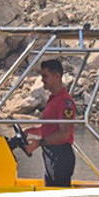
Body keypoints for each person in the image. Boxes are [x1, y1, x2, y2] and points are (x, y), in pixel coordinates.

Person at [24, 59, 77, 187]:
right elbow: (49, 128)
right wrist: (29, 131)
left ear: (57, 76)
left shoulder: (65, 103)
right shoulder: (53, 100)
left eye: (45, 76)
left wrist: (38, 143)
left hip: (60, 156)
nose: (42, 80)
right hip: (51, 155)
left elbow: (63, 134)